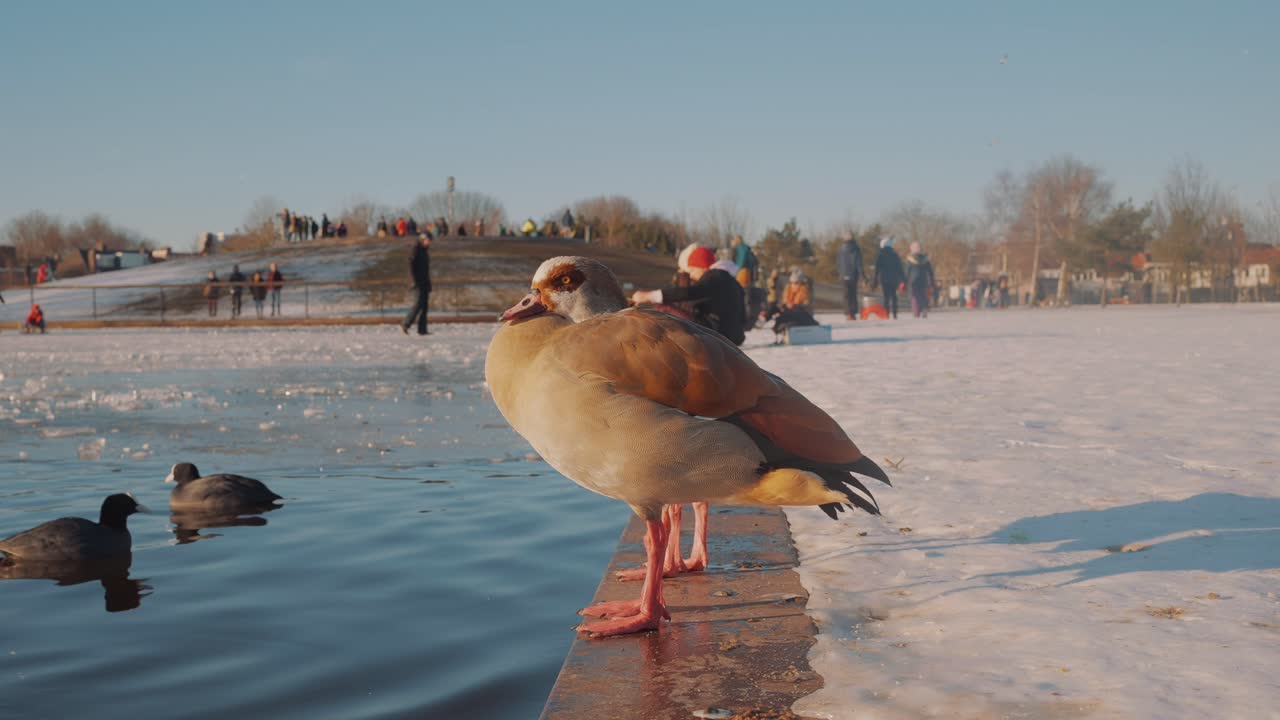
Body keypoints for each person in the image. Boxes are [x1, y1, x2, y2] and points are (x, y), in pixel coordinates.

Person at [631, 244, 747, 346]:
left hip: (718, 334)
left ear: (702, 267)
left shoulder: (713, 276)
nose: (691, 275)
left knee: (665, 308)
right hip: (734, 337)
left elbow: (689, 292)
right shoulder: (730, 280)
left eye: (692, 270)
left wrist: (649, 296)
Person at [402, 234, 432, 335]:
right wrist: (413, 280)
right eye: (427, 240)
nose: (429, 242)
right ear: (422, 240)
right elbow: (410, 265)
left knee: (425, 306)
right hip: (417, 282)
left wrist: (428, 283)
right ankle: (406, 323)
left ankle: (422, 329)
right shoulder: (416, 249)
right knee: (418, 303)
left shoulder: (425, 251)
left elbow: (426, 270)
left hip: (424, 282)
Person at [837, 231, 869, 320]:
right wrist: (863, 276)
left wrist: (840, 273)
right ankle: (852, 313)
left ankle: (848, 314)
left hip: (843, 275)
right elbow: (859, 264)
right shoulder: (856, 249)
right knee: (853, 294)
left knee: (846, 295)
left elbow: (838, 263)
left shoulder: (840, 249)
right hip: (853, 275)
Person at [872, 236, 905, 319]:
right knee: (894, 296)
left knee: (886, 297)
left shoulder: (880, 255)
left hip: (884, 279)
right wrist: (903, 279)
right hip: (894, 279)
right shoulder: (895, 255)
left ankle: (886, 313)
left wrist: (875, 281)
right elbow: (900, 268)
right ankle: (894, 313)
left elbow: (877, 269)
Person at [905, 241, 937, 318]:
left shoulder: (910, 260)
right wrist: (932, 282)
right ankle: (924, 309)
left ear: (911, 249)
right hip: (923, 281)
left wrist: (904, 281)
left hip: (914, 282)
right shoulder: (925, 260)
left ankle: (916, 312)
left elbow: (907, 271)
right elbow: (930, 272)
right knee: (923, 296)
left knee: (914, 296)